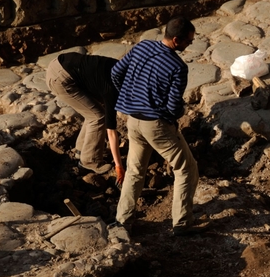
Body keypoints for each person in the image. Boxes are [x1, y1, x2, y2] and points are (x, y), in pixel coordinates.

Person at [111, 17, 205, 236]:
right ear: (175, 40)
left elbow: (116, 72)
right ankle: (182, 224)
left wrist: (129, 96)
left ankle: (122, 222)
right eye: (188, 42)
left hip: (132, 120)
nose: (189, 45)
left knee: (134, 171)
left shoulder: (142, 46)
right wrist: (181, 111)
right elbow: (173, 107)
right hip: (156, 125)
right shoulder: (177, 67)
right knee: (186, 168)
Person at [46, 53, 125, 184]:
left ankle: (81, 150)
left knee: (92, 112)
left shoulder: (118, 66)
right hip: (61, 79)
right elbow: (111, 131)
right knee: (98, 116)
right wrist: (118, 165)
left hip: (62, 64)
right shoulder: (111, 89)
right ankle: (90, 160)